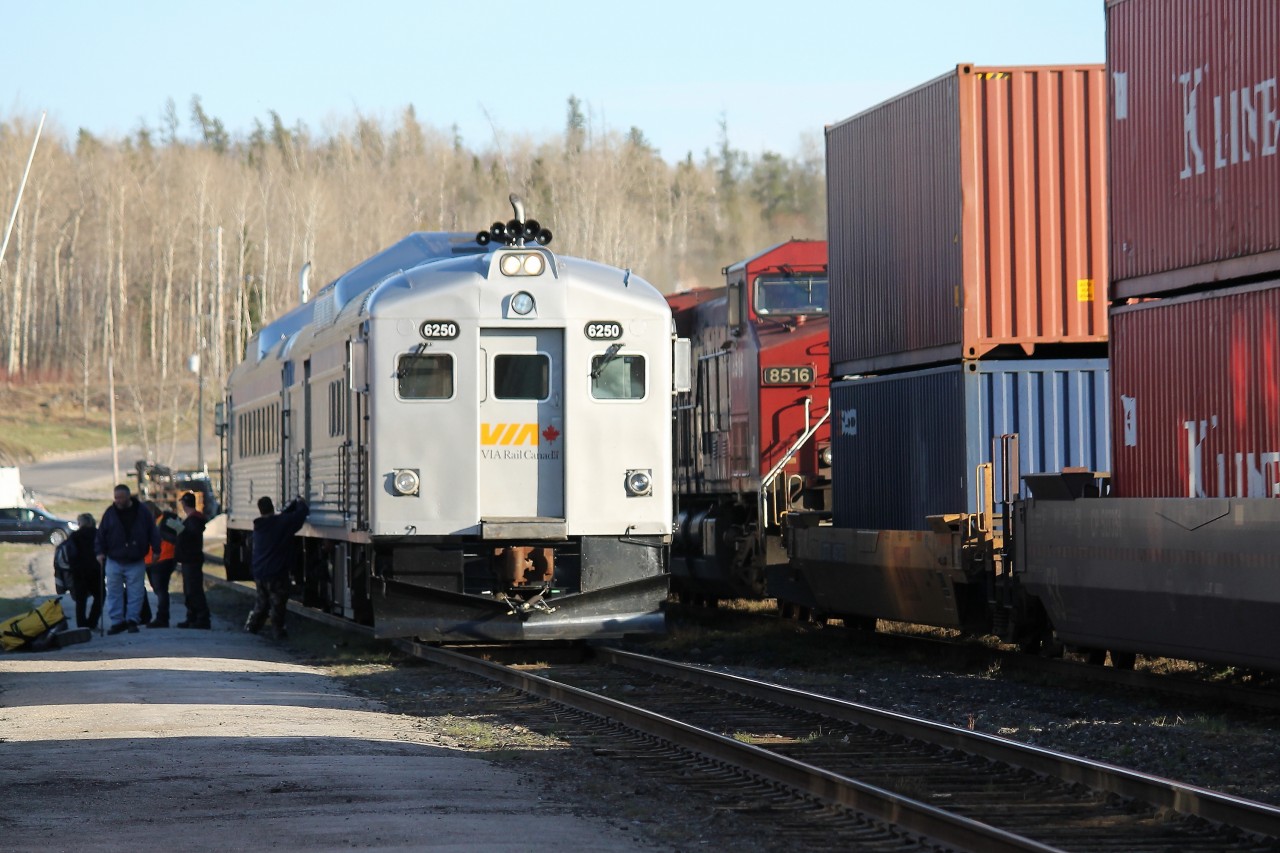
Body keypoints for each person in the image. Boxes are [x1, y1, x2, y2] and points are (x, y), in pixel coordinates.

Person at [94, 484, 160, 634]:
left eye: (120, 498)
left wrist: (156, 550)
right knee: (113, 592)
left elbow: (152, 531)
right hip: (114, 559)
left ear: (128, 497)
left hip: (135, 559)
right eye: (116, 497)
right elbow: (101, 534)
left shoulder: (142, 512)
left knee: (135, 593)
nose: (117, 501)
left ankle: (132, 621)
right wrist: (99, 552)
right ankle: (117, 622)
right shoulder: (110, 513)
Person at [245, 496, 308, 640]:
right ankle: (278, 632)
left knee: (262, 602)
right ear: (272, 507)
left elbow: (282, 517)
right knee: (278, 604)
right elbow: (299, 516)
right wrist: (301, 504)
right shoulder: (279, 524)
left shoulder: (259, 526)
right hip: (276, 572)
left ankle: (253, 627)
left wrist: (292, 505)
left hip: (260, 572)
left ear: (260, 510)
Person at [174, 492, 211, 629]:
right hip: (189, 558)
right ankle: (192, 617)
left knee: (193, 590)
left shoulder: (193, 520)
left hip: (191, 559)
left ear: (184, 504)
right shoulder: (194, 519)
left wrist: (181, 532)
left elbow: (190, 536)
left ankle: (201, 618)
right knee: (189, 590)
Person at [144, 502, 182, 628]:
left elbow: (180, 534)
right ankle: (162, 617)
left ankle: (162, 618)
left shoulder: (167, 520)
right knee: (158, 589)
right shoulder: (152, 522)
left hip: (164, 559)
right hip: (150, 561)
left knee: (161, 590)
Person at [67, 513, 103, 630]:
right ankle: (92, 622)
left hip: (79, 571)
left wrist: (72, 568)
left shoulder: (74, 536)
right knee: (100, 596)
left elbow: (71, 554)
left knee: (80, 600)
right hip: (95, 570)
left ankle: (82, 625)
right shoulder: (98, 534)